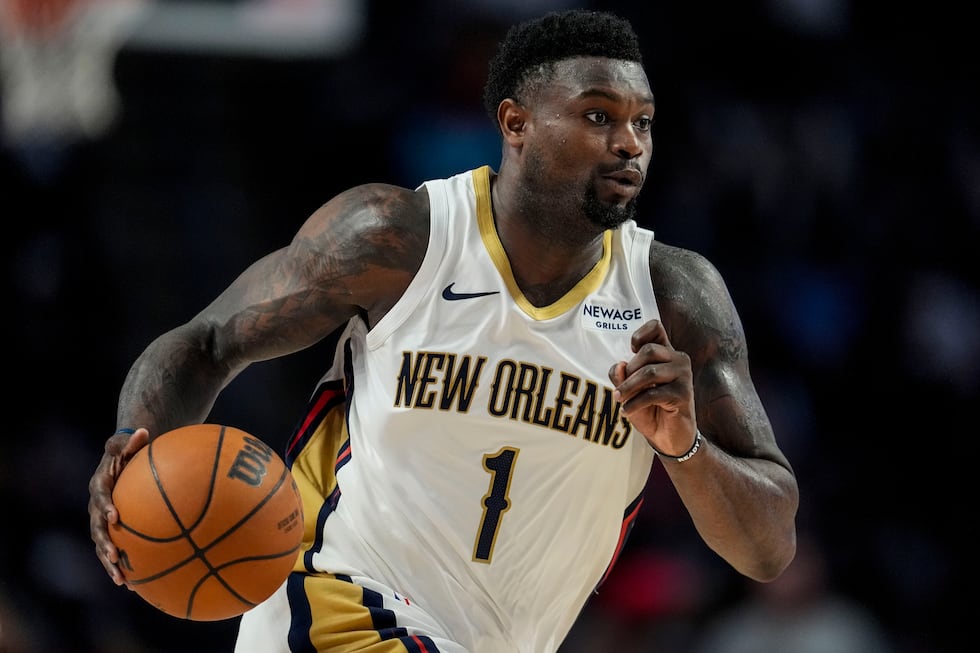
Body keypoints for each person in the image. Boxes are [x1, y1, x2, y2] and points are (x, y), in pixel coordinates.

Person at [88, 9, 799, 653]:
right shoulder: (399, 239)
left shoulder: (673, 296)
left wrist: (687, 447)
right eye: (597, 116)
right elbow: (208, 342)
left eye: (642, 122)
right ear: (516, 124)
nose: (628, 144)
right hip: (335, 605)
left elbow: (768, 548)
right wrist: (131, 447)